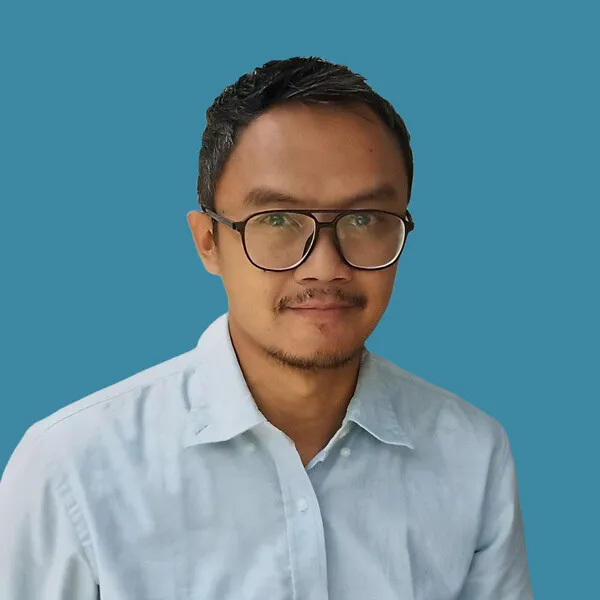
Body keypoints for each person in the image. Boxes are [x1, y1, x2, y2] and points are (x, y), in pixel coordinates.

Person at [0, 56, 533, 599]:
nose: (324, 266)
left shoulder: (471, 455)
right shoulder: (71, 469)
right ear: (208, 241)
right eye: (277, 219)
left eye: (364, 219)